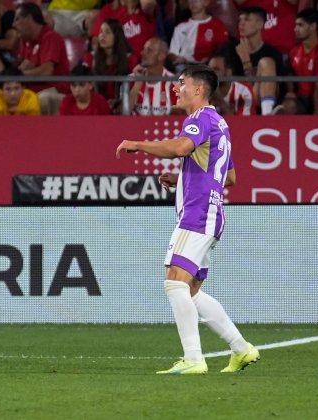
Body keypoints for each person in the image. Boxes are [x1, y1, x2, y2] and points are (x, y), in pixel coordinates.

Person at [115, 64, 260, 375]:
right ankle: (241, 348)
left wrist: (138, 145)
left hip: (197, 214)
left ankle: (193, 358)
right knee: (191, 291)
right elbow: (229, 176)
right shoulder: (220, 124)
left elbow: (181, 147)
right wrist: (181, 178)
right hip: (212, 212)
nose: (176, 88)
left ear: (199, 89)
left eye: (181, 83)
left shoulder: (201, 119)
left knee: (173, 283)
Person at [217, 6, 284, 115]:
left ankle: (268, 115)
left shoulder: (272, 53)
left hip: (255, 102)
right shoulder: (227, 49)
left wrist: (246, 62)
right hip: (231, 102)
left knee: (266, 62)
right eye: (240, 20)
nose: (241, 23)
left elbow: (276, 90)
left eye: (247, 20)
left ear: (260, 24)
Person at [13, 1, 70, 115]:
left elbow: (46, 71)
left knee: (41, 100)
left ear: (28, 18)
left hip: (52, 93)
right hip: (31, 92)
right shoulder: (26, 41)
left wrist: (20, 75)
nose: (13, 24)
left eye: (17, 19)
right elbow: (18, 67)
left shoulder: (51, 38)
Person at [280, 8, 318, 115]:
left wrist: (316, 115)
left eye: (300, 25)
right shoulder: (294, 51)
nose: (295, 29)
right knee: (287, 107)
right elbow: (290, 74)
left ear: (313, 26)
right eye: (295, 25)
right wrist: (290, 91)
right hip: (302, 98)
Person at [83, 18, 138, 113]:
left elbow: (134, 89)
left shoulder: (130, 59)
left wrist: (118, 101)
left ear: (117, 36)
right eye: (101, 32)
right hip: (96, 107)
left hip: (123, 106)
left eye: (107, 32)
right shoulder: (90, 59)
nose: (102, 36)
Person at [167, 0, 229, 70]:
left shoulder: (218, 26)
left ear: (206, 2)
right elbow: (172, 53)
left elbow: (223, 53)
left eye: (197, 0)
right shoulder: (180, 27)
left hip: (208, 68)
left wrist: (210, 60)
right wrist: (177, 58)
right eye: (190, 0)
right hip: (184, 67)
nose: (193, 2)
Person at [129, 37, 178, 116]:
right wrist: (137, 84)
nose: (142, 53)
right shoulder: (130, 80)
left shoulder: (175, 83)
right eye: (144, 49)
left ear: (161, 56)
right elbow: (122, 114)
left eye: (149, 50)